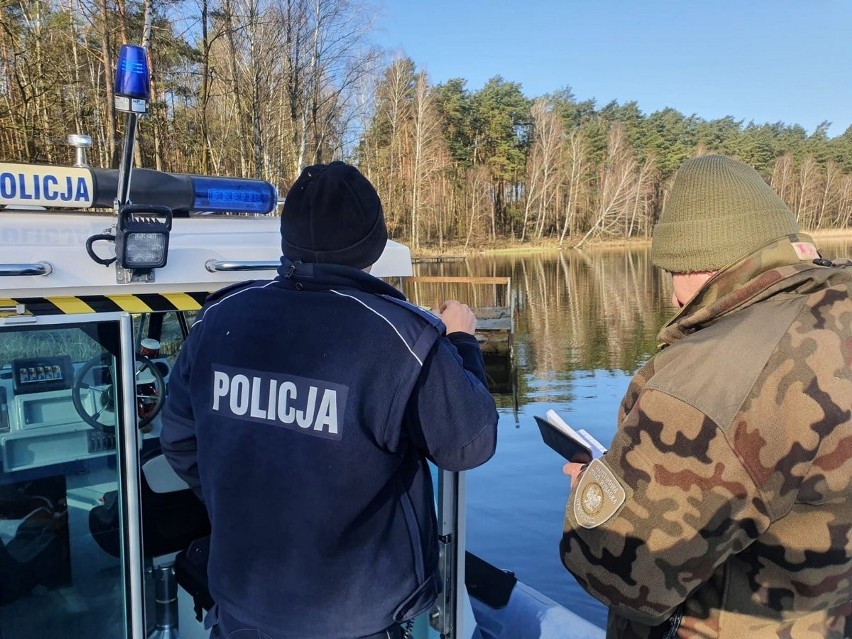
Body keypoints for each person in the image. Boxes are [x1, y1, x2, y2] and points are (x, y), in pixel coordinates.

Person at [160, 161, 498, 639]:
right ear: (374, 244)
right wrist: (461, 341)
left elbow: (179, 443)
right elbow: (468, 443)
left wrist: (241, 504)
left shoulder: (219, 321)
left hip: (241, 611)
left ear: (287, 241)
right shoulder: (400, 339)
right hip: (356, 620)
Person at [560, 155, 852, 638]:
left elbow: (615, 571)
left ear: (708, 264)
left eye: (676, 269)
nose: (675, 297)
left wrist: (592, 493)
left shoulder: (709, 377)